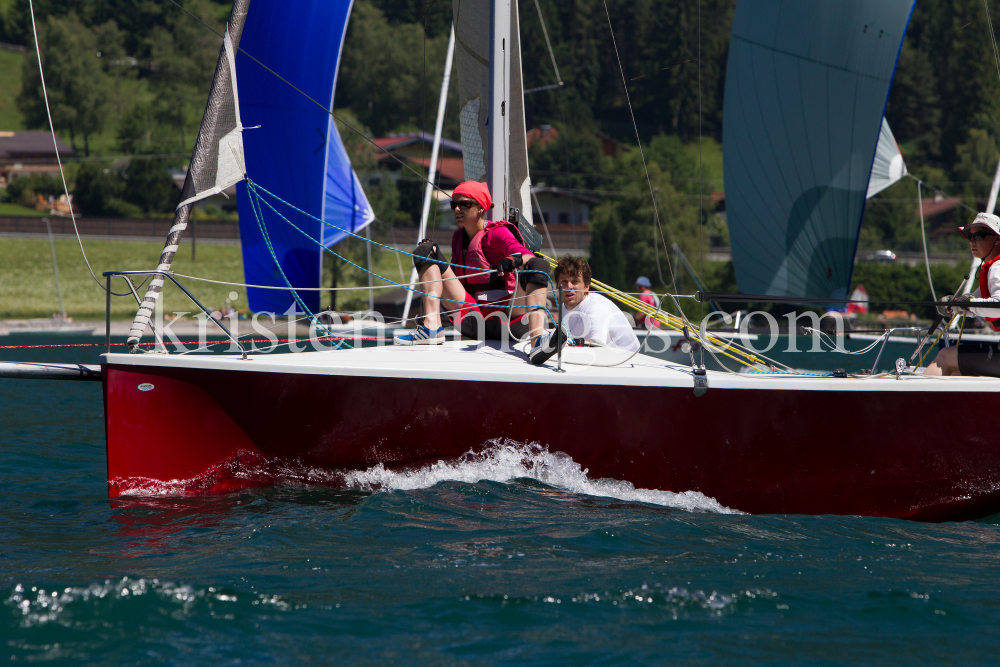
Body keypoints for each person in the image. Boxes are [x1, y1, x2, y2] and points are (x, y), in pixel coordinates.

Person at [393, 181, 566, 365]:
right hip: (473, 320)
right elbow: (454, 278)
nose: (457, 208)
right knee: (426, 250)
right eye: (454, 204)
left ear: (481, 208)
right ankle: (432, 327)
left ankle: (537, 341)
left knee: (538, 264)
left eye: (465, 204)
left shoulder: (498, 233)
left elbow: (526, 256)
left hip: (509, 320)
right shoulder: (458, 237)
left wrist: (513, 260)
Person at [926, 212, 1000, 376]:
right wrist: (954, 305)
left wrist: (967, 305)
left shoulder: (997, 267)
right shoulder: (993, 268)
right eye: (970, 236)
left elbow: (997, 306)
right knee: (954, 371)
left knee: (945, 357)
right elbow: (975, 302)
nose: (972, 241)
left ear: (997, 240)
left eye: (979, 236)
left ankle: (916, 400)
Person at [555, 255, 640, 352]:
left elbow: (598, 350)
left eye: (575, 281)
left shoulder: (596, 309)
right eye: (564, 281)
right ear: (557, 286)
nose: (569, 286)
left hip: (625, 362)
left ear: (586, 286)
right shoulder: (563, 307)